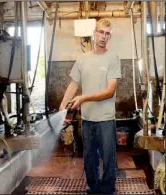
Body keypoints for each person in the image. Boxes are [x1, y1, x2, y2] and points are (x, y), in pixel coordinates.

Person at [59, 18, 121, 194]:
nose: (103, 36)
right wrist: (63, 104)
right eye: (101, 32)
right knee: (89, 158)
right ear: (94, 33)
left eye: (107, 33)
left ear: (110, 37)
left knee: (108, 158)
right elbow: (73, 84)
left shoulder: (112, 58)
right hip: (87, 119)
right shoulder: (82, 59)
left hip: (106, 119)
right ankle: (93, 189)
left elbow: (110, 91)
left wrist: (84, 97)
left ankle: (108, 190)